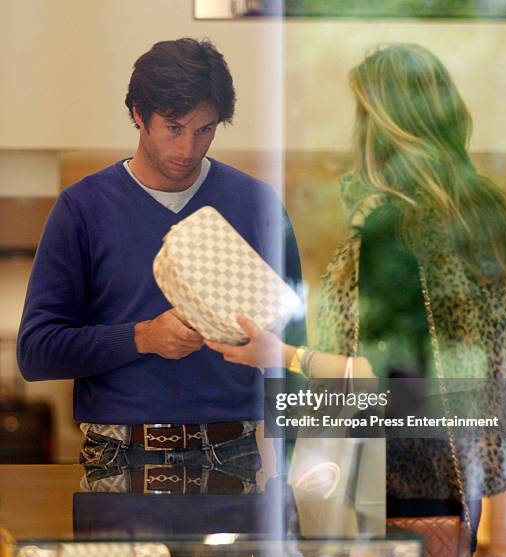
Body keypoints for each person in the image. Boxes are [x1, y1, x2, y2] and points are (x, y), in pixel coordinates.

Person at [206, 43, 506, 549]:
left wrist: (282, 354)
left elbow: (377, 377)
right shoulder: (486, 218)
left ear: (382, 131)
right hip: (465, 484)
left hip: (393, 486)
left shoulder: (393, 232)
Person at [17, 38, 303, 493]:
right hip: (117, 458)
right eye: (173, 128)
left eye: (205, 130)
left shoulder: (256, 205)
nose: (188, 148)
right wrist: (142, 337)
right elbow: (36, 352)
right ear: (137, 113)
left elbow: (294, 350)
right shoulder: (82, 208)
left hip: (234, 456)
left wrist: (289, 472)